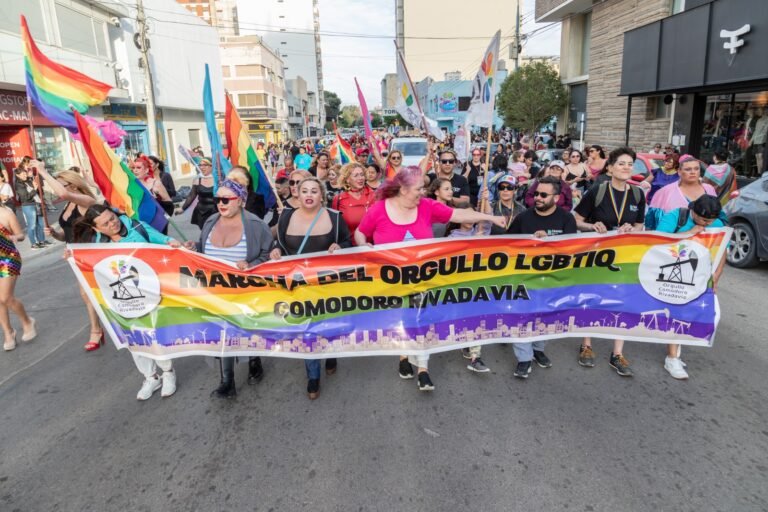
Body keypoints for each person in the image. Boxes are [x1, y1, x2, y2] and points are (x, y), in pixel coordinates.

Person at [354, 167, 506, 391]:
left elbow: (459, 214)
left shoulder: (426, 206)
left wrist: (489, 217)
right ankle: (403, 357)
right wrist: (362, 245)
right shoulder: (379, 210)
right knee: (402, 320)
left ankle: (423, 370)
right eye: (418, 189)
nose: (422, 193)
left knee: (421, 319)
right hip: (391, 280)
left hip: (423, 278)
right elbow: (360, 232)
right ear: (403, 189)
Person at [73, 204, 183, 400]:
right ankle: (151, 377)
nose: (112, 224)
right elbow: (89, 265)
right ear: (96, 229)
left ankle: (168, 372)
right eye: (105, 224)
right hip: (122, 298)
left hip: (149, 291)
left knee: (154, 333)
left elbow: (162, 239)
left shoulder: (136, 227)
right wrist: (72, 258)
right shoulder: (98, 242)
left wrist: (173, 242)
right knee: (133, 338)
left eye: (112, 218)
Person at [271, 177, 352, 399]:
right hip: (297, 287)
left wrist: (340, 246)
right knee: (306, 331)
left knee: (327, 326)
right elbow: (280, 245)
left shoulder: (335, 218)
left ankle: (331, 355)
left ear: (321, 194)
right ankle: (313, 376)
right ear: (297, 193)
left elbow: (348, 242)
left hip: (327, 287)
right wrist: (276, 251)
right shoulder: (286, 216)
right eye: (304, 190)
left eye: (314, 191)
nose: (308, 195)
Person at [192, 180, 273, 398]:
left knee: (247, 332)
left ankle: (255, 362)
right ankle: (226, 381)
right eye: (218, 199)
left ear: (241, 201)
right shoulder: (210, 220)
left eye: (226, 199)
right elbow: (202, 251)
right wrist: (192, 248)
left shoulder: (255, 225)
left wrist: (251, 265)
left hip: (246, 294)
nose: (220, 203)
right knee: (222, 335)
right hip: (215, 294)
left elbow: (267, 255)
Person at [573, 147, 646, 377]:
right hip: (597, 255)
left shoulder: (638, 195)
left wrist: (630, 229)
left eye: (629, 164)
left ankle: (617, 353)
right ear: (611, 167)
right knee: (592, 297)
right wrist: (592, 226)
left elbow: (640, 225)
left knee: (622, 301)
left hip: (623, 256)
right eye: (621, 163)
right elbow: (576, 220)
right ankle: (586, 344)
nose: (626, 167)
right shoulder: (597, 191)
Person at [509, 176, 577, 378]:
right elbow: (507, 245)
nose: (537, 197)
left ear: (556, 198)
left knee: (545, 318)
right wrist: (530, 242)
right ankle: (523, 359)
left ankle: (538, 349)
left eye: (543, 194)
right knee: (522, 318)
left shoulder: (566, 219)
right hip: (524, 280)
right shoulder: (523, 217)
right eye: (536, 193)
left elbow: (572, 251)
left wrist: (551, 243)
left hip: (552, 281)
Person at [655, 195, 726, 379]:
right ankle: (672, 358)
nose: (707, 224)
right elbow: (657, 241)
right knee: (677, 313)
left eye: (710, 221)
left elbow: (722, 249)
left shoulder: (716, 223)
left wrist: (716, 278)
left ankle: (676, 352)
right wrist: (689, 233)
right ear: (693, 211)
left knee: (691, 315)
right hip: (672, 274)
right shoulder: (675, 217)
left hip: (699, 275)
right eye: (703, 220)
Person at [38, 169, 104, 351]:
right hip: (76, 255)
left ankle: (97, 330)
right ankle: (97, 329)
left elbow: (63, 193)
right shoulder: (67, 205)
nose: (57, 190)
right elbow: (66, 235)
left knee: (92, 293)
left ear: (73, 185)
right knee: (87, 294)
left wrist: (42, 170)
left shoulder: (86, 201)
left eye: (61, 184)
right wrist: (54, 234)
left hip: (93, 253)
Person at [0, 205, 36, 352]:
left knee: (6, 298)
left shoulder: (6, 213)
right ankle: (8, 332)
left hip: (8, 258)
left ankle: (27, 322)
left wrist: (13, 237)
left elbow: (21, 235)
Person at [331, 163, 375, 242]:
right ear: (347, 179)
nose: (360, 178)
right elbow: (335, 227)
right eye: (356, 175)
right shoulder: (339, 199)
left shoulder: (374, 195)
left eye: (362, 175)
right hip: (350, 248)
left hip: (374, 246)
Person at [14, 162, 51, 249]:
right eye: (22, 174)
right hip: (28, 206)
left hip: (37, 204)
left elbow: (37, 192)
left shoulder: (29, 180)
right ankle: (33, 243)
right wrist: (34, 188)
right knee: (32, 225)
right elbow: (25, 197)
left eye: (25, 173)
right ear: (17, 175)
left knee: (40, 224)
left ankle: (42, 241)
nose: (24, 175)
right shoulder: (18, 185)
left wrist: (37, 186)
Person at [178, 158, 216, 229]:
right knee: (205, 232)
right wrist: (183, 208)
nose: (202, 167)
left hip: (215, 211)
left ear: (211, 166)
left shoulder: (217, 180)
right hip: (201, 211)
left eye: (205, 165)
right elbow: (191, 196)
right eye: (200, 165)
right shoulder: (197, 180)